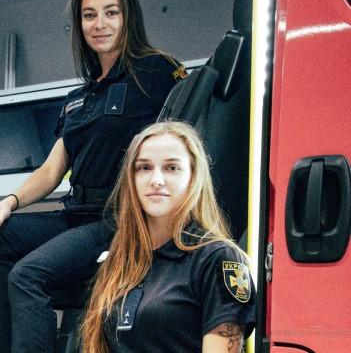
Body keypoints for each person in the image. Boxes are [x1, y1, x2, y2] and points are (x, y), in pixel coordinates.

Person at [0, 0, 187, 352]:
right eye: (89, 15)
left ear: (127, 18)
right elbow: (52, 171)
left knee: (27, 275)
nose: (99, 24)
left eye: (110, 13)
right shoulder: (79, 97)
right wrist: (7, 202)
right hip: (76, 214)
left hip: (118, 219)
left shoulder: (154, 71)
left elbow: (185, 147)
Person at [81, 121, 256, 352]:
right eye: (144, 167)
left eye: (171, 168)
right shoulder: (122, 258)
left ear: (193, 176)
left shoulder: (219, 258)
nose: (156, 180)